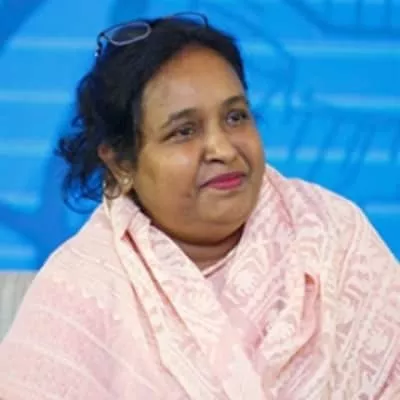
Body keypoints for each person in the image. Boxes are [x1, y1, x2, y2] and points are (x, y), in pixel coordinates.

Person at [0, 12, 398, 400]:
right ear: (121, 163)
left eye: (235, 117)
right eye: (184, 131)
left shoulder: (332, 233)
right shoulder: (81, 294)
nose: (223, 148)